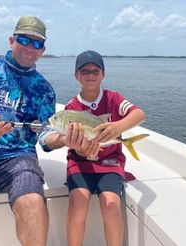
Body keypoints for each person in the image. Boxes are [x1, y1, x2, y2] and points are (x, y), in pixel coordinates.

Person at [0, 16, 92, 246]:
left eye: (37, 43)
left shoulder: (44, 90)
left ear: (43, 50)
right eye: (23, 39)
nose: (30, 47)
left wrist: (66, 139)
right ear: (11, 40)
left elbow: (44, 136)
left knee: (34, 205)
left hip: (20, 158)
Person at [65, 50, 146, 246]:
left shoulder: (114, 98)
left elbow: (139, 114)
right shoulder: (72, 107)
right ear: (76, 75)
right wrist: (83, 150)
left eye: (95, 71)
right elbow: (74, 147)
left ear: (103, 74)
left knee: (111, 203)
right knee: (78, 202)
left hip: (110, 162)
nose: (90, 75)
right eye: (84, 71)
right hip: (80, 162)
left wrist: (118, 127)